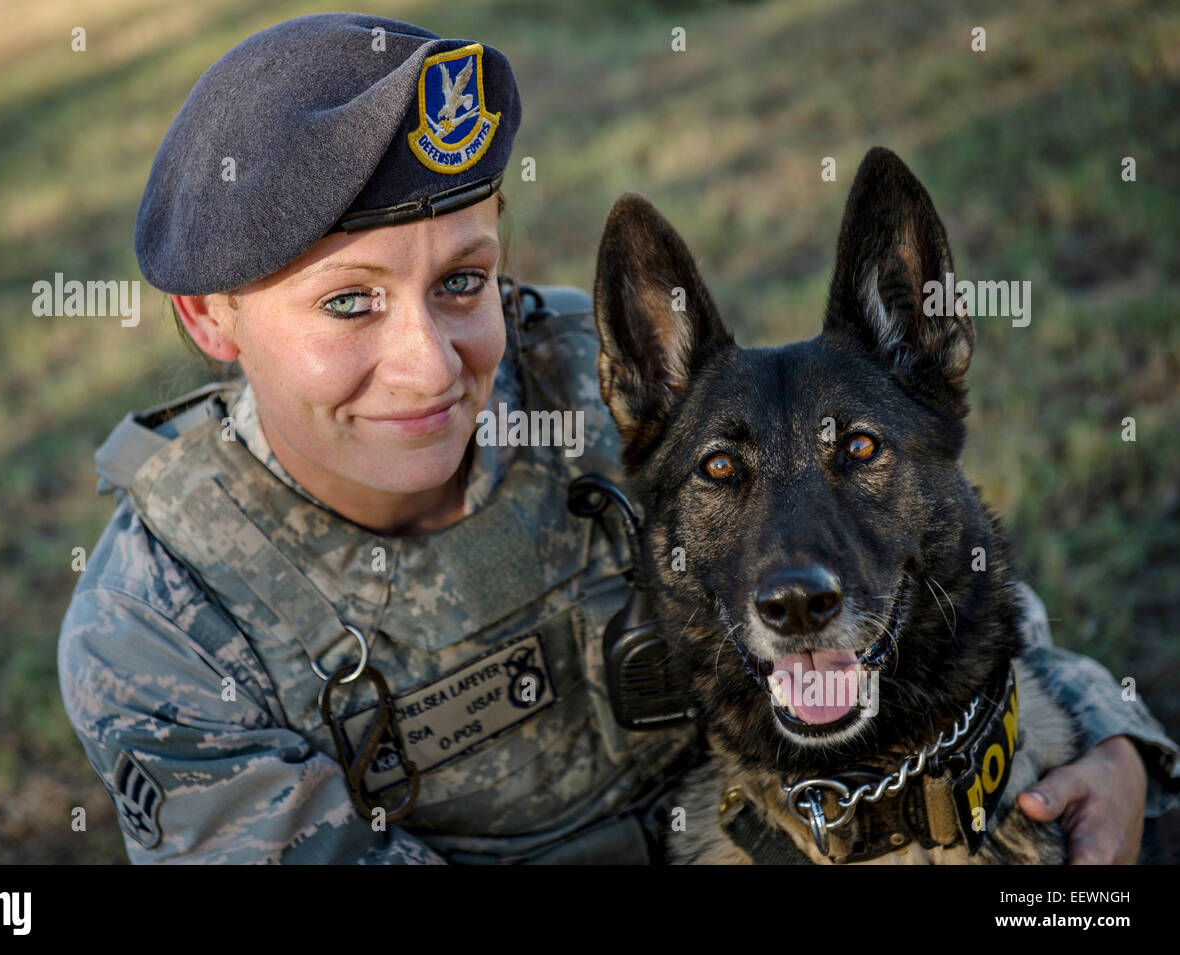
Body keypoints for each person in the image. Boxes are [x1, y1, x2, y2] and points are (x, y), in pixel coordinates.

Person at [57, 12, 1180, 864]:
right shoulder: (163, 628)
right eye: (348, 303)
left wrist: (1102, 738)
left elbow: (914, 560)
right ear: (210, 319)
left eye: (463, 281)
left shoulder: (616, 394)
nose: (430, 364)